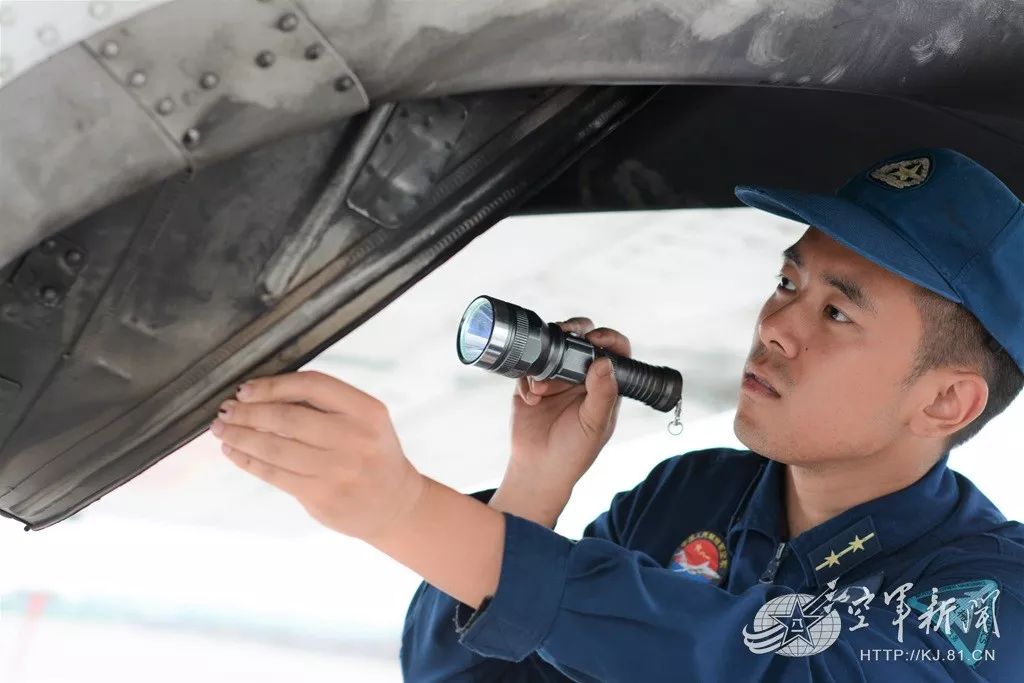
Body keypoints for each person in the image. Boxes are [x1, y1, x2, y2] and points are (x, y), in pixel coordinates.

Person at [396, 147, 1024, 681]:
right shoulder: (685, 495)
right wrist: (531, 487)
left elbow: (773, 668)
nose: (773, 327)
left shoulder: (987, 597)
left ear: (946, 401)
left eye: (837, 314)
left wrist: (395, 507)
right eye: (787, 283)